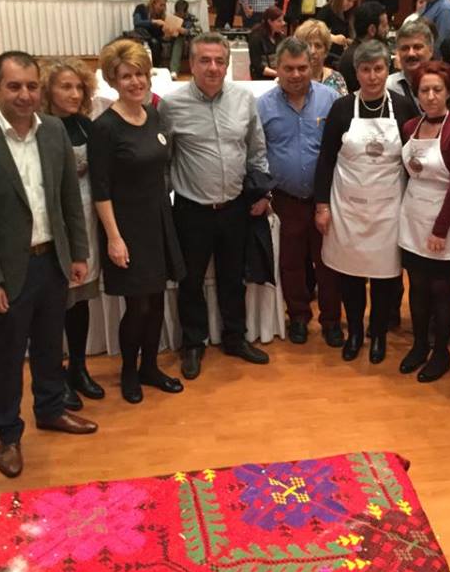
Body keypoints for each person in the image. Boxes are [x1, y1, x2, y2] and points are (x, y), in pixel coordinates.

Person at [0, 52, 98, 480]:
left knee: (51, 345)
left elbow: (68, 197)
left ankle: (50, 409)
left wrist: (77, 253)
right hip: (8, 271)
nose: (24, 95)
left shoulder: (52, 130)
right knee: (9, 355)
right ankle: (7, 433)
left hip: (52, 260)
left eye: (32, 86)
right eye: (14, 86)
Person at [160, 33, 272, 380]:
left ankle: (235, 338)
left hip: (235, 207)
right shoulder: (172, 105)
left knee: (232, 276)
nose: (213, 67)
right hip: (191, 209)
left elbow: (256, 148)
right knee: (190, 281)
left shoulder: (243, 99)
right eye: (204, 60)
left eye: (219, 61)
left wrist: (263, 192)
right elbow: (165, 159)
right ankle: (193, 344)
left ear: (227, 64)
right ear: (191, 64)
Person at [88, 41, 184, 403]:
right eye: (127, 76)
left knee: (157, 302)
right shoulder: (105, 128)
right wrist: (114, 237)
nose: (136, 82)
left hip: (157, 220)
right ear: (113, 80)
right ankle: (129, 370)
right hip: (126, 226)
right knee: (138, 306)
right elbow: (100, 189)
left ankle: (150, 368)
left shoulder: (154, 116)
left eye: (141, 74)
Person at [314, 40, 417, 363]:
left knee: (385, 277)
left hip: (389, 209)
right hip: (348, 208)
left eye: (378, 69)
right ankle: (355, 331)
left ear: (388, 70)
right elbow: (326, 159)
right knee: (350, 275)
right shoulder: (342, 108)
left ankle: (378, 334)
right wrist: (322, 205)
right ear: (356, 72)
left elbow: (414, 160)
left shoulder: (404, 107)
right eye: (365, 69)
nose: (372, 76)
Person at [258, 38, 343, 346]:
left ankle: (331, 320)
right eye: (289, 68)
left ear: (312, 66)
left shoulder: (331, 99)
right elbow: (257, 153)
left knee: (328, 262)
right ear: (277, 68)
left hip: (325, 199)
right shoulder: (263, 105)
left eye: (302, 68)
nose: (296, 74)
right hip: (285, 199)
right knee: (291, 262)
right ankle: (297, 316)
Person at [398, 61, 450, 381]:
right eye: (424, 90)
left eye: (437, 90)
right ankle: (419, 345)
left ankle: (441, 351)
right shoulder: (410, 127)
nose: (430, 96)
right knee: (416, 286)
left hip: (443, 220)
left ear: (449, 93)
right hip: (412, 217)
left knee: (442, 289)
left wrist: (440, 229)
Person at [38, 58, 105, 411]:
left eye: (79, 87)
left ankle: (79, 367)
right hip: (54, 224)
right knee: (54, 305)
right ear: (48, 90)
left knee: (80, 302)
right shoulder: (40, 128)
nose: (75, 94)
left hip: (86, 221)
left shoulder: (85, 126)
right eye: (66, 86)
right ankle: (55, 374)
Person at [339, 0, 389, 93]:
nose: (387, 29)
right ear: (372, 30)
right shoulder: (357, 58)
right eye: (384, 25)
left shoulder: (352, 53)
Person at [295, 19, 348, 96]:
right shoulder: (291, 79)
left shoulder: (336, 79)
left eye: (318, 46)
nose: (312, 51)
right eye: (307, 45)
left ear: (326, 51)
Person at [315, 0, 359, 65]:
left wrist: (350, 41)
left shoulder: (350, 14)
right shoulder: (326, 11)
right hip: (327, 57)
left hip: (342, 56)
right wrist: (333, 38)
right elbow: (315, 33)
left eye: (353, 2)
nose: (351, 4)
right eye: (348, 0)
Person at [248, 6, 285, 79]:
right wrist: (278, 74)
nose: (283, 23)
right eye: (279, 21)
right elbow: (257, 66)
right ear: (270, 22)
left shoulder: (281, 37)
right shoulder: (256, 38)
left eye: (283, 20)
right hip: (262, 78)